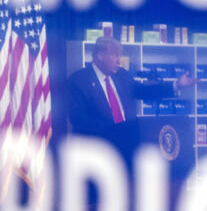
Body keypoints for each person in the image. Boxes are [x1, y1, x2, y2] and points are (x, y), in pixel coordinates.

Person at [67, 36, 197, 159]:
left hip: (129, 145)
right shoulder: (78, 80)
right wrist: (113, 131)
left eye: (119, 55)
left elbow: (143, 91)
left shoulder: (121, 74)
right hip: (100, 151)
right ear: (100, 56)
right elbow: (79, 121)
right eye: (114, 55)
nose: (119, 61)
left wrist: (176, 85)